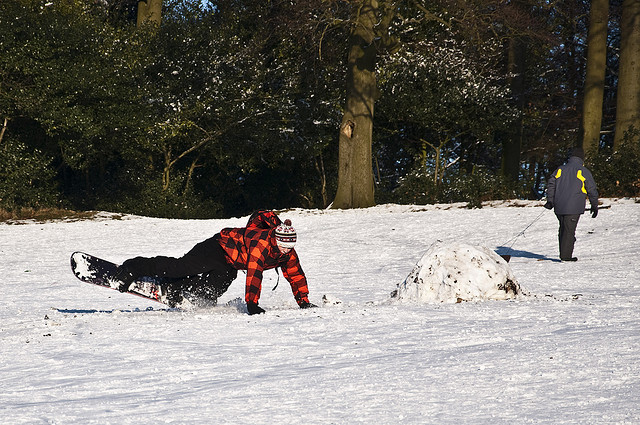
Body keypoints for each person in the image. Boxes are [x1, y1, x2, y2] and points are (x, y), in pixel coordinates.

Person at [113, 210, 316, 313]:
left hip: (231, 263)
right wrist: (252, 304)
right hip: (216, 248)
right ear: (275, 239)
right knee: (180, 268)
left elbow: (296, 275)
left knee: (210, 292)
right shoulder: (261, 245)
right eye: (283, 246)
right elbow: (254, 274)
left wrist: (303, 301)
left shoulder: (288, 254)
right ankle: (133, 267)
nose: (286, 250)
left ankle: (176, 287)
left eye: (290, 247)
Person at [544, 147, 598, 262]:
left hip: (559, 207)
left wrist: (550, 201)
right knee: (568, 231)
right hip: (574, 207)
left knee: (563, 229)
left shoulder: (560, 169)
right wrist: (594, 205)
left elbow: (551, 184)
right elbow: (591, 189)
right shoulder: (582, 170)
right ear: (581, 157)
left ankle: (564, 253)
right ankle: (566, 257)